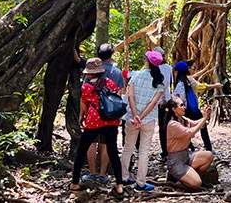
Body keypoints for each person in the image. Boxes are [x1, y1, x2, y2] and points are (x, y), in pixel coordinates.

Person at [70, 58, 125, 200]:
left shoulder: (87, 87)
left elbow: (84, 104)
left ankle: (75, 183)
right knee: (113, 151)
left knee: (82, 150)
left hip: (94, 121)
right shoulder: (110, 83)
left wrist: (82, 118)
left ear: (90, 73)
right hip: (111, 121)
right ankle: (119, 185)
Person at [120, 50, 165, 192]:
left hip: (132, 119)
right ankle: (141, 183)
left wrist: (135, 115)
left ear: (147, 61)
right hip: (149, 120)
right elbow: (153, 103)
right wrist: (142, 117)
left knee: (128, 148)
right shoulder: (160, 82)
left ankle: (123, 177)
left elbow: (130, 97)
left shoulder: (135, 77)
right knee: (144, 151)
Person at [84, 43, 125, 184]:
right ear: (111, 55)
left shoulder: (91, 69)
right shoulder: (117, 72)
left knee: (92, 142)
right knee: (106, 143)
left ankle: (91, 173)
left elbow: (85, 93)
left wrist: (82, 114)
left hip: (93, 113)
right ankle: (102, 175)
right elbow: (118, 95)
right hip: (109, 115)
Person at [172, 60, 224, 152]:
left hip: (186, 110)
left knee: (185, 128)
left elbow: (179, 98)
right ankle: (207, 148)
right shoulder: (188, 80)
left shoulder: (181, 82)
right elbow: (201, 87)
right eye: (194, 67)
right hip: (192, 109)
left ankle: (190, 148)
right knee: (202, 127)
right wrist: (216, 85)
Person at [164, 98, 215, 190]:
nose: (184, 107)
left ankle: (194, 177)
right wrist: (203, 119)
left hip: (187, 155)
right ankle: (176, 178)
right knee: (196, 183)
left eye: (184, 105)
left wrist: (206, 116)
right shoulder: (172, 125)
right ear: (174, 109)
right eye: (181, 105)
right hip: (176, 161)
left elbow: (196, 124)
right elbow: (190, 133)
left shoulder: (183, 119)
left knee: (208, 156)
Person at [153, 46, 173, 160]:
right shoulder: (168, 68)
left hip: (158, 101)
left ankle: (165, 151)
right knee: (167, 125)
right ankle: (168, 150)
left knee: (162, 126)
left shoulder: (154, 69)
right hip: (167, 100)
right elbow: (169, 85)